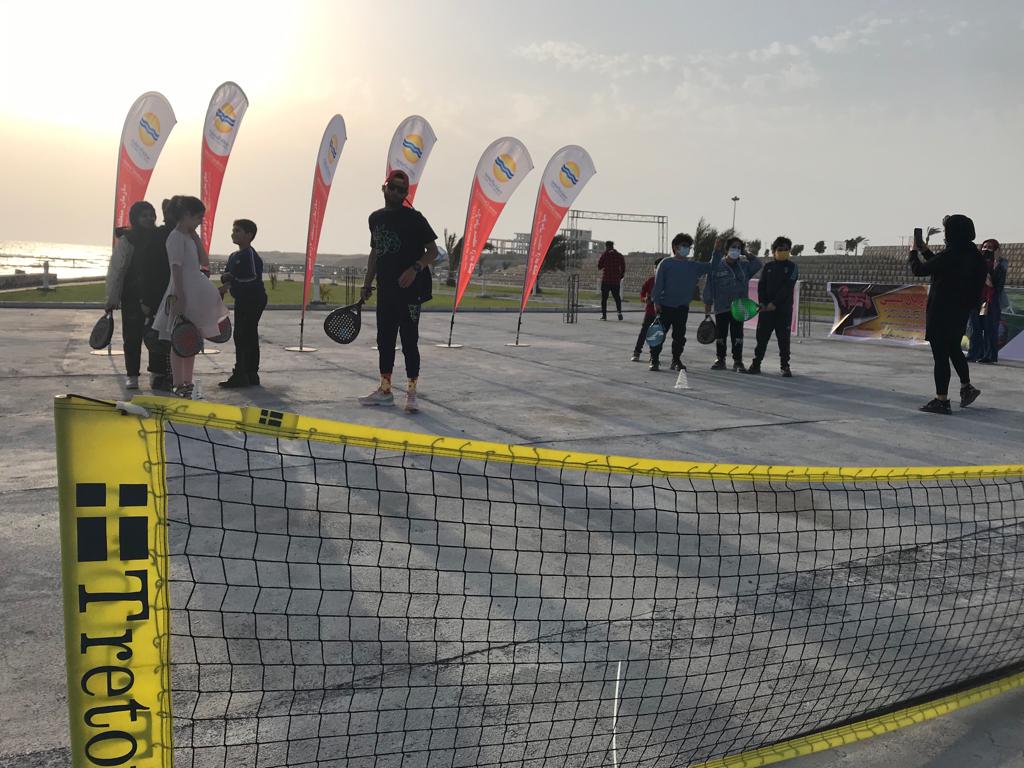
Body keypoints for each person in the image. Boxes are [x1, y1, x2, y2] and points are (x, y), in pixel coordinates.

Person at [359, 170, 439, 413]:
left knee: (409, 341)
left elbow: (432, 251)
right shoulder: (375, 218)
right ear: (384, 188)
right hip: (386, 291)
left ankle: (412, 393)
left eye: (401, 190)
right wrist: (367, 283)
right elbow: (375, 252)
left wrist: (415, 269)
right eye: (392, 187)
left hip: (410, 291)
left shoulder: (415, 219)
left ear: (406, 194)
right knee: (384, 341)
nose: (396, 192)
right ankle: (385, 391)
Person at [152, 196, 229, 399]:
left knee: (191, 339)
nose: (200, 222)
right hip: (182, 291)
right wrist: (181, 296)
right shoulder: (175, 237)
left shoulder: (188, 237)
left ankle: (188, 381)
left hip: (194, 291)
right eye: (198, 217)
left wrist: (195, 237)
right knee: (179, 338)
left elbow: (204, 261)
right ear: (186, 215)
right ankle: (179, 383)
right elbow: (176, 268)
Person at [908, 214, 984, 414]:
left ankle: (941, 400)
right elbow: (941, 265)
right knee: (954, 349)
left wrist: (913, 252)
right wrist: (925, 250)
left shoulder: (951, 254)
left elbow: (920, 270)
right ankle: (966, 387)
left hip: (941, 312)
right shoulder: (973, 254)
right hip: (960, 312)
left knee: (941, 357)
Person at [105, 201, 158, 390]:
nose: (149, 218)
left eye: (151, 215)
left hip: (155, 294)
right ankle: (132, 375)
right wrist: (112, 298)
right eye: (144, 215)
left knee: (155, 336)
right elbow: (117, 270)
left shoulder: (159, 237)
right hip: (132, 295)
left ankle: (156, 373)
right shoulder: (127, 240)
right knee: (132, 337)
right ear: (135, 218)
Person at [650, 233, 711, 371]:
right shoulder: (666, 263)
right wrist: (656, 302)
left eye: (688, 246)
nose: (686, 249)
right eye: (683, 246)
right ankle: (654, 359)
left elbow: (711, 266)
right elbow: (658, 284)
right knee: (658, 334)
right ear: (675, 247)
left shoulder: (693, 265)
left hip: (682, 308)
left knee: (679, 337)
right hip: (665, 306)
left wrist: (717, 252)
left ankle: (676, 360)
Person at [219, 219, 267, 388]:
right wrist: (226, 279)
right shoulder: (234, 256)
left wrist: (233, 281)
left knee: (243, 335)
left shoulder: (250, 255)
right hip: (242, 299)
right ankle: (249, 373)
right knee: (247, 335)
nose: (233, 234)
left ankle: (243, 373)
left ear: (249, 235)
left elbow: (253, 277)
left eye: (238, 231)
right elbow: (228, 275)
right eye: (233, 230)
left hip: (253, 298)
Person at [702, 236, 762, 371]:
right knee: (721, 334)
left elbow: (758, 264)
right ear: (726, 250)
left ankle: (738, 361)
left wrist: (746, 253)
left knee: (738, 335)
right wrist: (707, 308)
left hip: (740, 306)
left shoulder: (744, 266)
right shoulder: (717, 266)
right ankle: (720, 359)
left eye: (738, 248)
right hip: (721, 306)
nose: (736, 250)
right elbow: (709, 287)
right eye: (733, 247)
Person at [746, 236, 799, 376]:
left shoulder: (793, 268)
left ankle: (785, 366)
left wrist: (774, 303)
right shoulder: (768, 267)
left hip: (783, 311)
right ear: (774, 251)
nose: (783, 252)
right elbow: (761, 286)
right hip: (766, 311)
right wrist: (763, 303)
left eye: (786, 249)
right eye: (780, 249)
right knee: (761, 339)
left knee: (784, 340)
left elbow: (787, 287)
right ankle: (756, 364)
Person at [978, 238, 1007, 364]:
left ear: (995, 250)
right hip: (982, 300)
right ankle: (985, 354)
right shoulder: (980, 263)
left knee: (991, 328)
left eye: (990, 247)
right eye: (984, 247)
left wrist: (996, 262)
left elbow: (997, 284)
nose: (986, 249)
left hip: (993, 300)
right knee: (984, 327)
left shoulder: (1000, 263)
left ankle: (991, 356)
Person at [631, 259, 662, 362]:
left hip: (662, 312)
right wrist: (644, 299)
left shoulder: (668, 282)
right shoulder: (650, 281)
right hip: (650, 312)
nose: (657, 270)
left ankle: (653, 355)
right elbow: (642, 293)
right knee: (644, 332)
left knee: (657, 334)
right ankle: (637, 352)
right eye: (656, 267)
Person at [597, 240, 625, 320]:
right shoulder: (619, 255)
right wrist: (620, 275)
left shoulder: (605, 255)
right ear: (613, 246)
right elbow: (623, 266)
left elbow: (599, 266)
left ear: (607, 247)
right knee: (617, 298)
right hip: (615, 281)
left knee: (604, 299)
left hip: (606, 280)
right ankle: (619, 312)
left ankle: (604, 315)